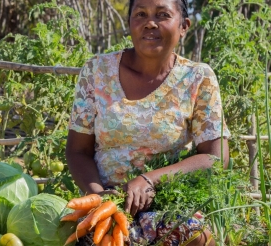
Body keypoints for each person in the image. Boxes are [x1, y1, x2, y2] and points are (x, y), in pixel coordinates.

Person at [65, 0, 230, 245]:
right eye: (140, 14)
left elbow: (216, 157)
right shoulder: (97, 72)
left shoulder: (197, 78)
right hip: (107, 200)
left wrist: (150, 180)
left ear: (183, 26)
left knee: (196, 236)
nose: (150, 23)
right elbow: (77, 151)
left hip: (170, 202)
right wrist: (100, 198)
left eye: (162, 15)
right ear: (130, 23)